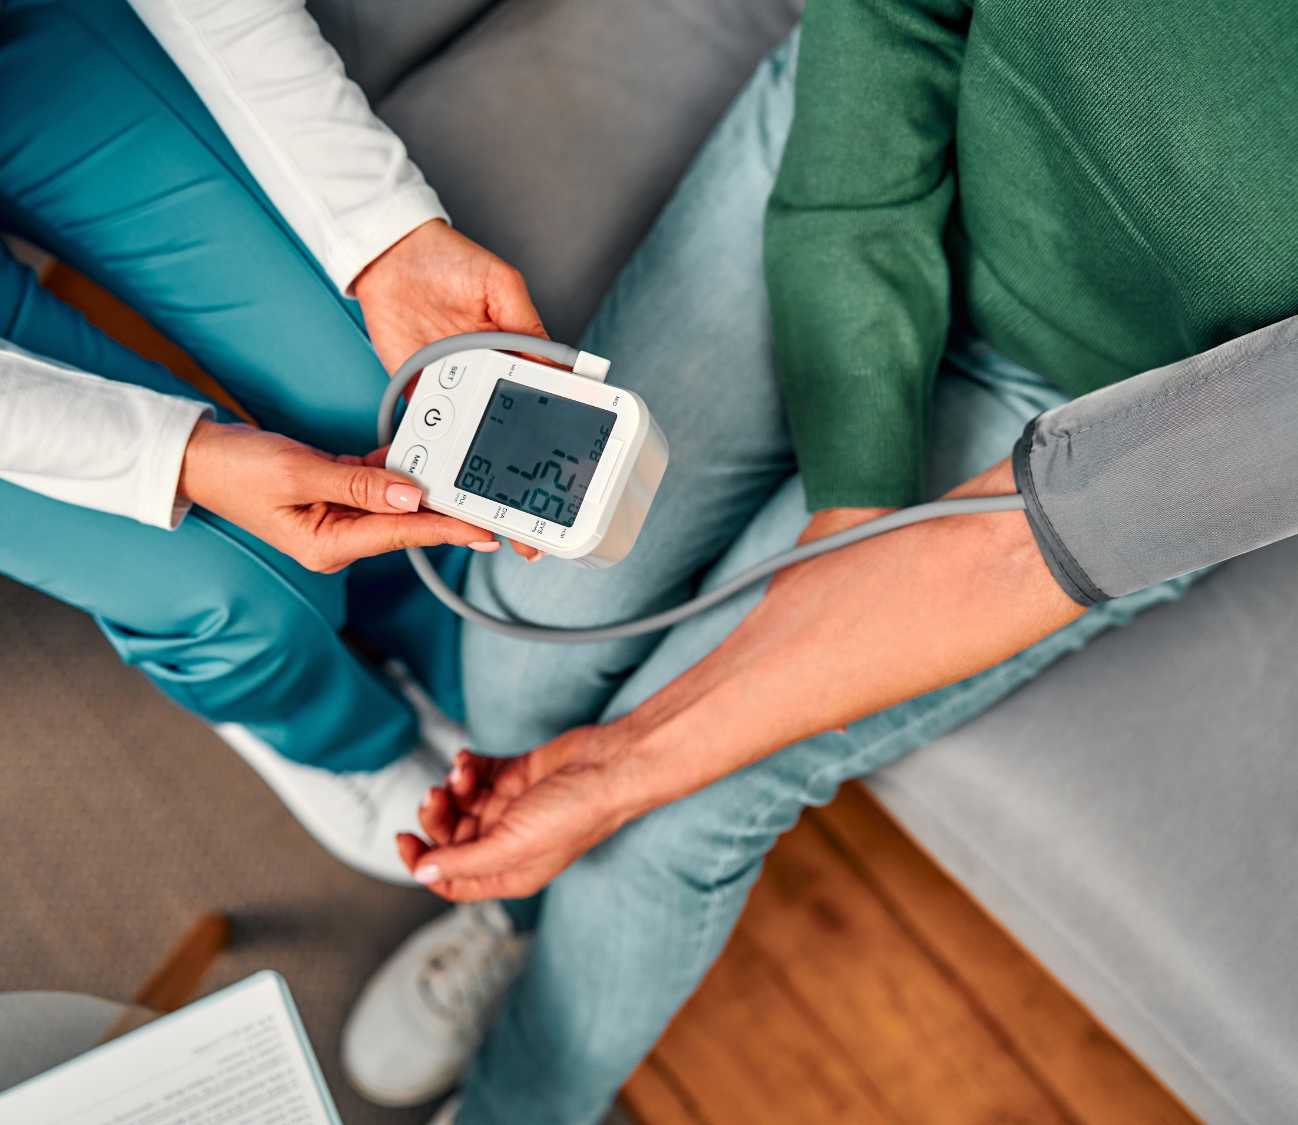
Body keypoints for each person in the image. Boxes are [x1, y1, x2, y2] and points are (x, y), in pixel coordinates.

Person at [340, 2, 1298, 1122]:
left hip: (1121, 404)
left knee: (671, 829)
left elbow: (1056, 527)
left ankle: (520, 1102)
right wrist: (860, 465)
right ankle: (519, 915)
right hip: (886, 137)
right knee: (530, 631)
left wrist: (633, 766)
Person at [0, 0, 549, 882]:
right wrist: (169, 456)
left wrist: (384, 232)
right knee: (232, 594)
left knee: (385, 402)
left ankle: (446, 636)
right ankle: (341, 740)